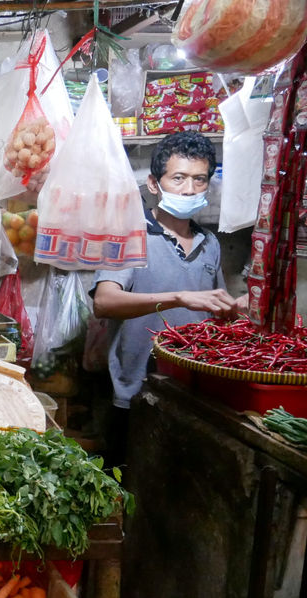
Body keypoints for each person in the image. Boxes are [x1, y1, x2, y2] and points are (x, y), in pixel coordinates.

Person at [92, 131, 246, 464]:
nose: (189, 189)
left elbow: (211, 311)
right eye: (178, 178)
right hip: (135, 392)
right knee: (129, 487)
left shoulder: (211, 244)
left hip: (192, 393)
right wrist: (179, 297)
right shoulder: (131, 235)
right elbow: (104, 302)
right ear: (153, 183)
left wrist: (239, 307)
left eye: (199, 180)